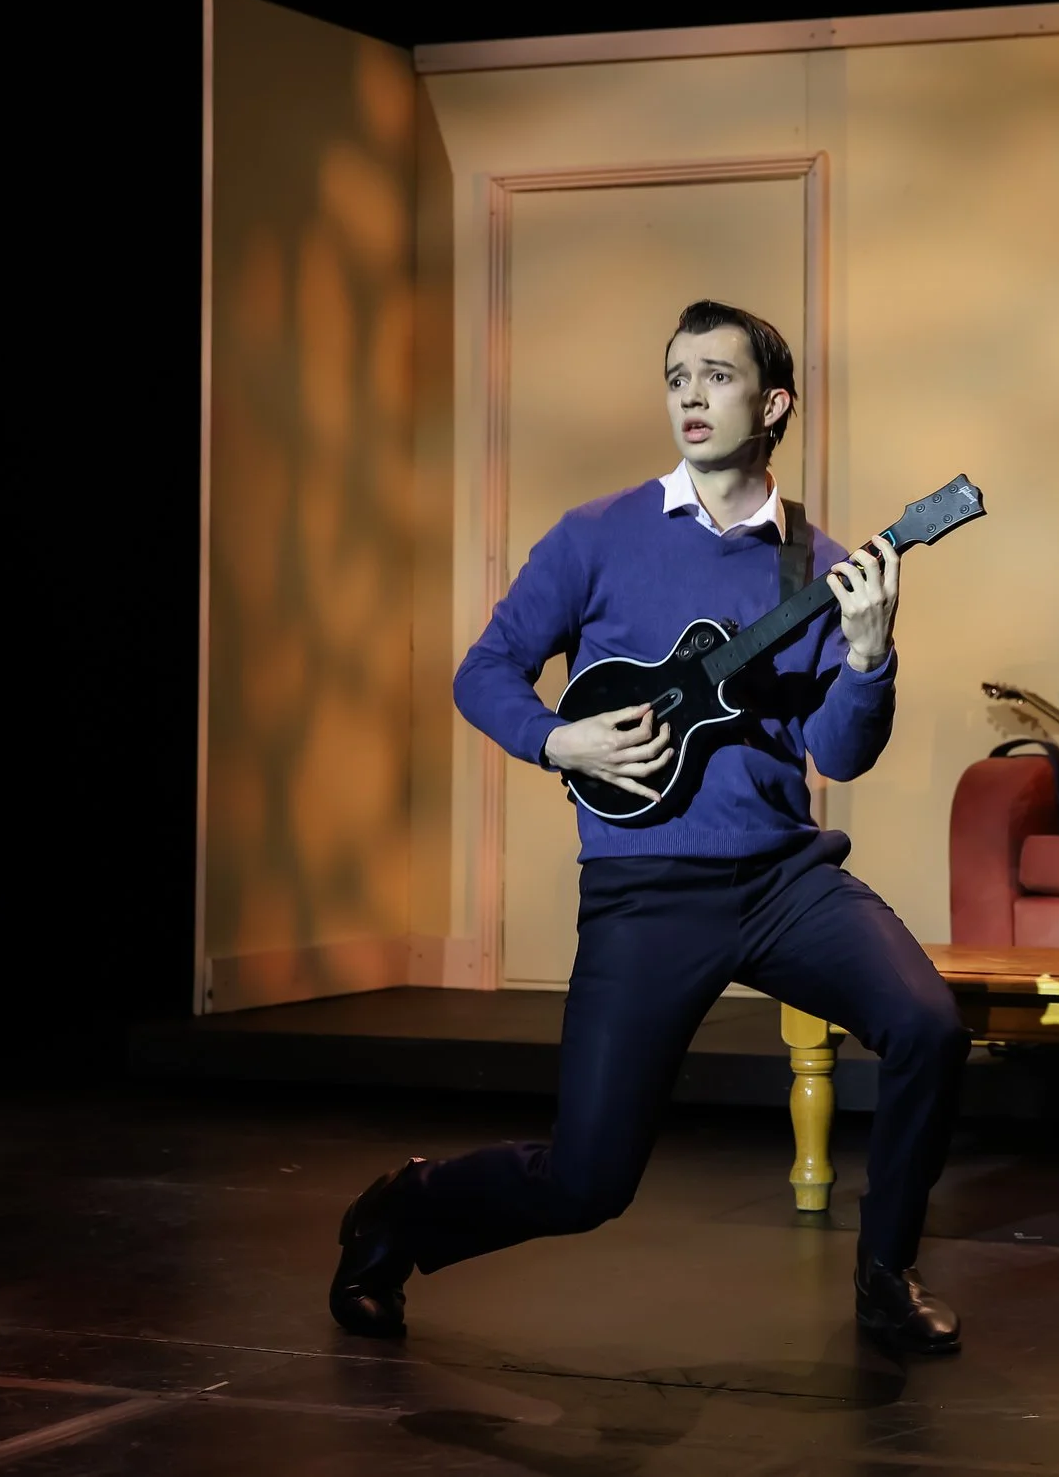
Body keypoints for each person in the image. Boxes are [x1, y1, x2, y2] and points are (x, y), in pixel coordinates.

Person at [327, 299, 970, 1353]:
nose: (689, 396)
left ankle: (884, 1273)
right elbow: (483, 670)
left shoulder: (812, 561)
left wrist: (867, 656)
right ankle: (404, 1210)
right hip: (646, 889)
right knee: (587, 1181)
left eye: (716, 375)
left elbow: (841, 753)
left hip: (783, 878)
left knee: (929, 1024)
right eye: (676, 377)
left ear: (774, 403)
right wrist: (557, 741)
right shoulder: (595, 536)